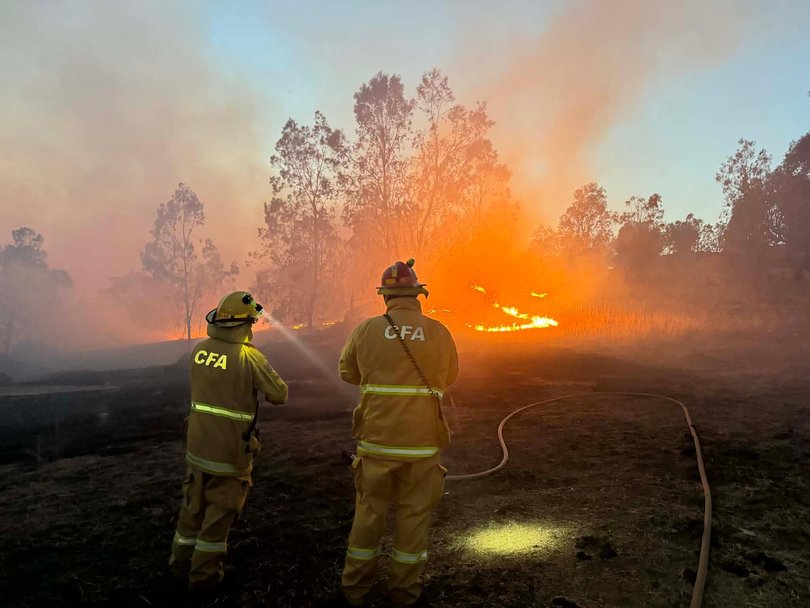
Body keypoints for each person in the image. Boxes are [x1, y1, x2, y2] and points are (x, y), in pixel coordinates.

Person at [329, 259, 459, 608]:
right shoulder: (439, 332)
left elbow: (347, 372)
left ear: (385, 296)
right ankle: (405, 593)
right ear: (418, 294)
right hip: (422, 447)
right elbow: (450, 377)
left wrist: (379, 378)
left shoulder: (366, 330)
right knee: (413, 519)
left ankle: (355, 591)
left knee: (368, 514)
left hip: (376, 445)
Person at [168, 291, 288, 591]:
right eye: (251, 323)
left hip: (197, 447)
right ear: (244, 325)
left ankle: (179, 567)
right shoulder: (249, 357)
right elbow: (279, 394)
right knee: (216, 521)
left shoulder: (200, 350)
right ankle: (204, 581)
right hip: (229, 454)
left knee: (191, 511)